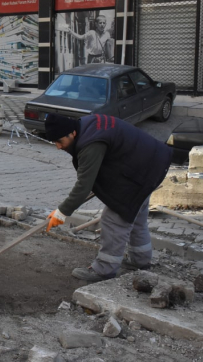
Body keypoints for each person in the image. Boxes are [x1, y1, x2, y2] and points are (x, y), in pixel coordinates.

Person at [44, 113, 172, 283]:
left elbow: (83, 186)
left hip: (142, 172)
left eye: (60, 141)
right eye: (55, 142)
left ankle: (104, 269)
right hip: (151, 163)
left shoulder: (90, 143)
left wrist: (61, 212)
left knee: (113, 220)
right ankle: (141, 260)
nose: (58, 147)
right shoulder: (86, 125)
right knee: (135, 216)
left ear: (72, 133)